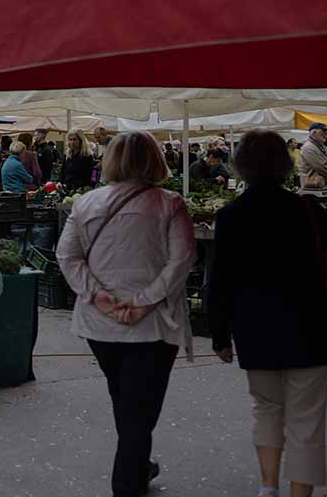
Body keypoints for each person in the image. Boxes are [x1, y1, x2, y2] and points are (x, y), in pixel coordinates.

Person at [208, 130, 327, 497]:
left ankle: (268, 486)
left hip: (256, 328)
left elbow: (219, 282)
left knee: (267, 409)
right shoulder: (307, 208)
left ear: (241, 167)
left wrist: (220, 336)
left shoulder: (230, 216)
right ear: (284, 164)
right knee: (306, 420)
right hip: (311, 325)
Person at [57, 132, 195, 497]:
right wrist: (145, 301)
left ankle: (138, 463)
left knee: (127, 398)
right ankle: (127, 483)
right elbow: (182, 260)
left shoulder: (85, 203)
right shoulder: (170, 203)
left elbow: (67, 257)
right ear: (155, 159)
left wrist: (99, 297)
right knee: (139, 406)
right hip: (152, 325)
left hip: (99, 325)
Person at [299, 123, 327, 189]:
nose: (326, 134)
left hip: (321, 187)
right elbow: (321, 167)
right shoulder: (309, 147)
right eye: (323, 132)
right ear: (314, 132)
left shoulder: (318, 146)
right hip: (314, 188)